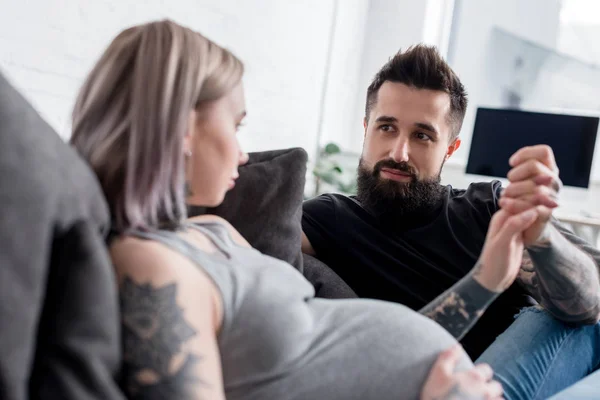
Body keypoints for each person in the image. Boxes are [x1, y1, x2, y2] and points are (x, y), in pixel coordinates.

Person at [69, 19, 543, 400]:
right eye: (235, 126)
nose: (242, 153)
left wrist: (485, 282)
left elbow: (356, 354)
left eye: (422, 135)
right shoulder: (152, 267)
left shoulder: (213, 230)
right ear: (181, 131)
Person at [301, 45, 600, 399]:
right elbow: (249, 253)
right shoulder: (326, 218)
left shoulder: (488, 207)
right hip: (418, 382)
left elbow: (590, 307)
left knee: (553, 315)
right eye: (386, 127)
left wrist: (542, 237)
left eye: (422, 136)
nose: (399, 152)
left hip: (496, 378)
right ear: (366, 129)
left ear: (450, 148)